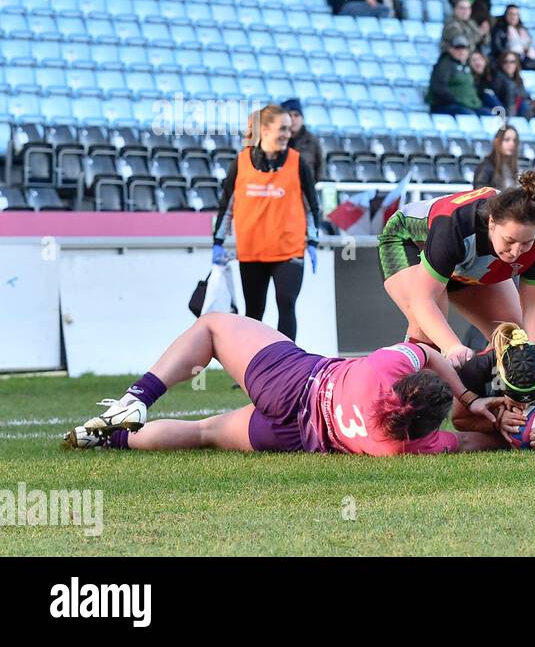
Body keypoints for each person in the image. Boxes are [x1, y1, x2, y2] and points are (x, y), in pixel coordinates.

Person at [64, 313, 501, 454]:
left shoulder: (382, 370)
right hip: (296, 435)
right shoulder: (403, 446)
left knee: (213, 327)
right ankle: (106, 441)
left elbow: (425, 352)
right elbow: (463, 443)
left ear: (405, 387)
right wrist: (514, 435)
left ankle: (138, 399)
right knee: (204, 433)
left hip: (294, 383)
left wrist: (465, 394)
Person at [376, 174, 535, 366]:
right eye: (509, 241)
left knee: (513, 338)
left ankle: (491, 388)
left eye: (526, 243)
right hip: (410, 242)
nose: (516, 252)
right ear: (492, 222)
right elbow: (423, 300)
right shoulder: (454, 227)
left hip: (461, 260)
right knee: (427, 333)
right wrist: (453, 347)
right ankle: (414, 391)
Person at [212, 105, 321, 342]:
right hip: (253, 253)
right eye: (282, 129)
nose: (287, 134)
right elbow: (226, 206)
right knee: (253, 313)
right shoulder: (240, 163)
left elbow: (312, 206)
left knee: (286, 304)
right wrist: (217, 242)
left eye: (289, 129)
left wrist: (312, 240)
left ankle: (288, 369)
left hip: (288, 251)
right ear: (264, 130)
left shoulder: (298, 163)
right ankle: (252, 372)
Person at [427, 36, 493, 116]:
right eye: (458, 48)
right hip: (445, 105)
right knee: (468, 115)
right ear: (450, 49)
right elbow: (439, 88)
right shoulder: (444, 65)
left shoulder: (466, 65)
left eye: (464, 48)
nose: (461, 51)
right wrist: (456, 100)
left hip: (469, 105)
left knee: (489, 114)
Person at [281, 98, 322, 182]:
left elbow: (320, 169)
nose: (293, 119)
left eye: (296, 115)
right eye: (289, 115)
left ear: (302, 119)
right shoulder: (277, 140)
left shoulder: (312, 141)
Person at [491, 5, 535, 71]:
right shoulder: (499, 30)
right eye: (511, 14)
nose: (513, 17)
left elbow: (530, 45)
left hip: (525, 60)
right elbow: (497, 48)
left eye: (516, 14)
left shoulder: (523, 30)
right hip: (507, 61)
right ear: (506, 15)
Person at [473, 124, 520, 191]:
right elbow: (480, 194)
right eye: (507, 140)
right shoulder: (486, 167)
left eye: (514, 140)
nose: (512, 144)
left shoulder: (513, 168)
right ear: (497, 142)